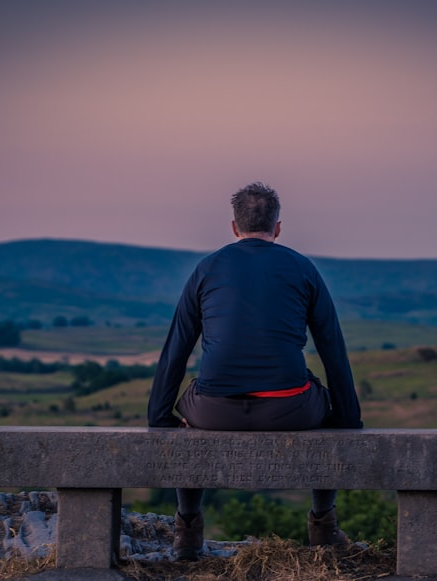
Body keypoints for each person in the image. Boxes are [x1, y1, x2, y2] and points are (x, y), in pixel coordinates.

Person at [147, 181, 363, 560]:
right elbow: (333, 349)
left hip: (213, 409)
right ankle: (324, 527)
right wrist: (346, 417)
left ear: (234, 226)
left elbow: (176, 349)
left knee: (187, 419)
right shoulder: (302, 267)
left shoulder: (206, 268)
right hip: (290, 409)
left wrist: (160, 416)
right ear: (277, 227)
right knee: (329, 409)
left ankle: (187, 530)